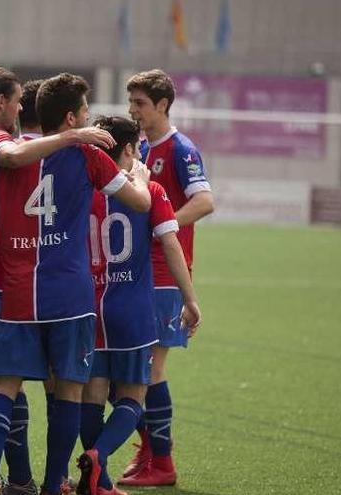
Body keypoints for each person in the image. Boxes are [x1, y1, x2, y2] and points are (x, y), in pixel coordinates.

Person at [0, 73, 152, 495]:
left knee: (3, 383)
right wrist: (140, 175)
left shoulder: (8, 159)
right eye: (86, 113)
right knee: (69, 388)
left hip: (16, 291)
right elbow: (139, 202)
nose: (90, 121)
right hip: (69, 293)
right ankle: (52, 485)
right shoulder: (88, 155)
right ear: (71, 117)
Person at [76, 116, 201, 495]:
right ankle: (97, 458)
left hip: (90, 307)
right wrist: (190, 299)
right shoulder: (151, 192)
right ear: (129, 150)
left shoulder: (83, 189)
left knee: (92, 396)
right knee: (133, 396)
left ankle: (100, 481)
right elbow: (171, 244)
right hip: (132, 308)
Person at [119, 70, 214, 487]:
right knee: (129, 372)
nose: (133, 111)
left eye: (140, 103)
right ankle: (149, 450)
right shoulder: (137, 147)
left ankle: (163, 462)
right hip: (136, 273)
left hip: (163, 274)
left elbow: (205, 201)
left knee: (149, 370)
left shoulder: (180, 149)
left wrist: (164, 224)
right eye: (131, 103)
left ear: (162, 105)